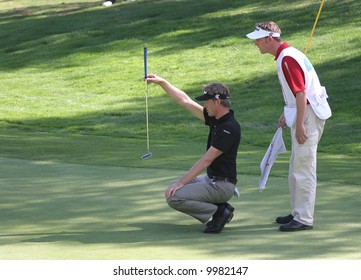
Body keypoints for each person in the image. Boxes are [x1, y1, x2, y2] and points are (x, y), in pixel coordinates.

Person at [246, 22, 331, 231]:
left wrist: (300, 123)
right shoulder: (286, 55)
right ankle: (297, 212)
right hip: (305, 113)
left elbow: (301, 94)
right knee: (296, 166)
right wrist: (287, 114)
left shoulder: (287, 58)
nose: (256, 43)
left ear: (269, 38)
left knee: (304, 168)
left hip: (308, 116)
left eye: (258, 39)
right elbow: (295, 96)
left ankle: (303, 219)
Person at [146, 74, 241, 234]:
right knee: (171, 189)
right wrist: (162, 82)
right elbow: (184, 101)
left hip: (222, 186)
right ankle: (220, 208)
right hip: (212, 180)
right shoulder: (216, 119)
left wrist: (181, 182)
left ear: (217, 102)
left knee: (175, 196)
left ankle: (219, 213)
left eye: (207, 101)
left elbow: (206, 160)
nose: (204, 105)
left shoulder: (228, 127)